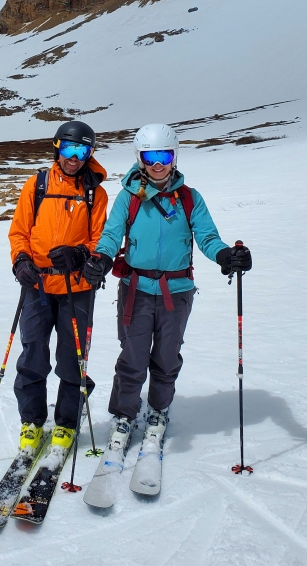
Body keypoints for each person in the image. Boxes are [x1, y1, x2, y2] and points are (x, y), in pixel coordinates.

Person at [83, 123, 252, 452]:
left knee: (166, 357)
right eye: (150, 156)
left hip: (177, 292)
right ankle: (124, 415)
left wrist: (225, 256)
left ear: (174, 157)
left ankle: (158, 411)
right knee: (132, 357)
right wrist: (101, 259)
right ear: (140, 158)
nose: (157, 164)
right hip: (136, 290)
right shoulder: (129, 197)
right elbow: (111, 234)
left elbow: (206, 236)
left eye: (164, 155)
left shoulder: (189, 198)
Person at [8, 121, 108, 452]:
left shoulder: (96, 193)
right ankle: (32, 422)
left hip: (76, 287)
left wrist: (80, 254)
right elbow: (19, 231)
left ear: (90, 153)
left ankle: (66, 423)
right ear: (56, 148)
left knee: (72, 357)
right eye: (68, 148)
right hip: (36, 283)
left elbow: (101, 241)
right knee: (33, 353)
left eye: (82, 150)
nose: (74, 157)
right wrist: (20, 260)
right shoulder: (36, 185)